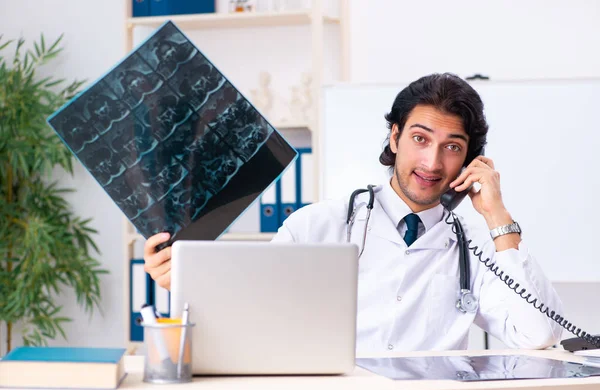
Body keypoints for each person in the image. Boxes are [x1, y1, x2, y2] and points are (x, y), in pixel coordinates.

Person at [143, 73, 564, 352]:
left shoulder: (475, 247)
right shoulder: (316, 225)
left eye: (452, 147)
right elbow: (250, 316)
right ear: (395, 137)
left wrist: (497, 216)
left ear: (470, 160)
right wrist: (183, 282)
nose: (433, 163)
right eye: (420, 138)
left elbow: (539, 334)